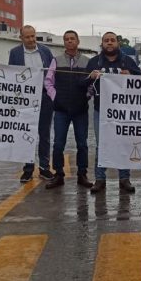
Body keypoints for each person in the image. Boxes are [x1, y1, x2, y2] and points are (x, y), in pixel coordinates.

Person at [86, 32, 141, 194]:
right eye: (106, 41)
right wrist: (90, 77)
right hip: (101, 111)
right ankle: (99, 179)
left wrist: (131, 75)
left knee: (123, 143)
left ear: (118, 43)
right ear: (102, 44)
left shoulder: (127, 61)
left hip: (123, 112)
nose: (109, 43)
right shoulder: (94, 62)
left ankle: (124, 178)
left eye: (112, 40)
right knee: (101, 145)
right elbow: (81, 83)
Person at [44, 30, 93, 190]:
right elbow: (48, 82)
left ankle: (82, 174)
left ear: (78, 41)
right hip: (61, 110)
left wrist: (87, 95)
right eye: (66, 39)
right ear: (64, 42)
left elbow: (92, 83)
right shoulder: (56, 60)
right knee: (58, 144)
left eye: (72, 39)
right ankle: (58, 174)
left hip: (80, 110)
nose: (69, 41)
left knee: (82, 144)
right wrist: (55, 97)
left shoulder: (87, 61)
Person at [8, 25, 55, 183]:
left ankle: (44, 168)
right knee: (26, 134)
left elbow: (52, 73)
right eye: (27, 37)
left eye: (33, 36)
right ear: (21, 38)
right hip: (25, 99)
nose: (31, 40)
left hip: (44, 97)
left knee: (44, 134)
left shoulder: (45, 51)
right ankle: (28, 169)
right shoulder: (15, 53)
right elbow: (12, 74)